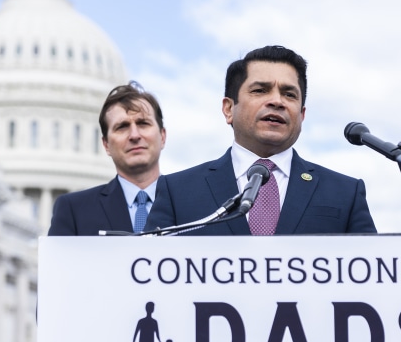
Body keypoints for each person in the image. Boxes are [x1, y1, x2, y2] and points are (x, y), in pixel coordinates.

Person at [145, 45, 376, 235]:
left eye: (289, 94)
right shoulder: (178, 191)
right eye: (260, 90)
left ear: (302, 115)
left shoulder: (346, 193)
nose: (277, 101)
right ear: (228, 109)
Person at [48, 81, 167, 235]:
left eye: (143, 123)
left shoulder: (194, 208)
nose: (134, 135)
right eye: (122, 127)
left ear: (162, 136)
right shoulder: (74, 211)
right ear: (106, 145)